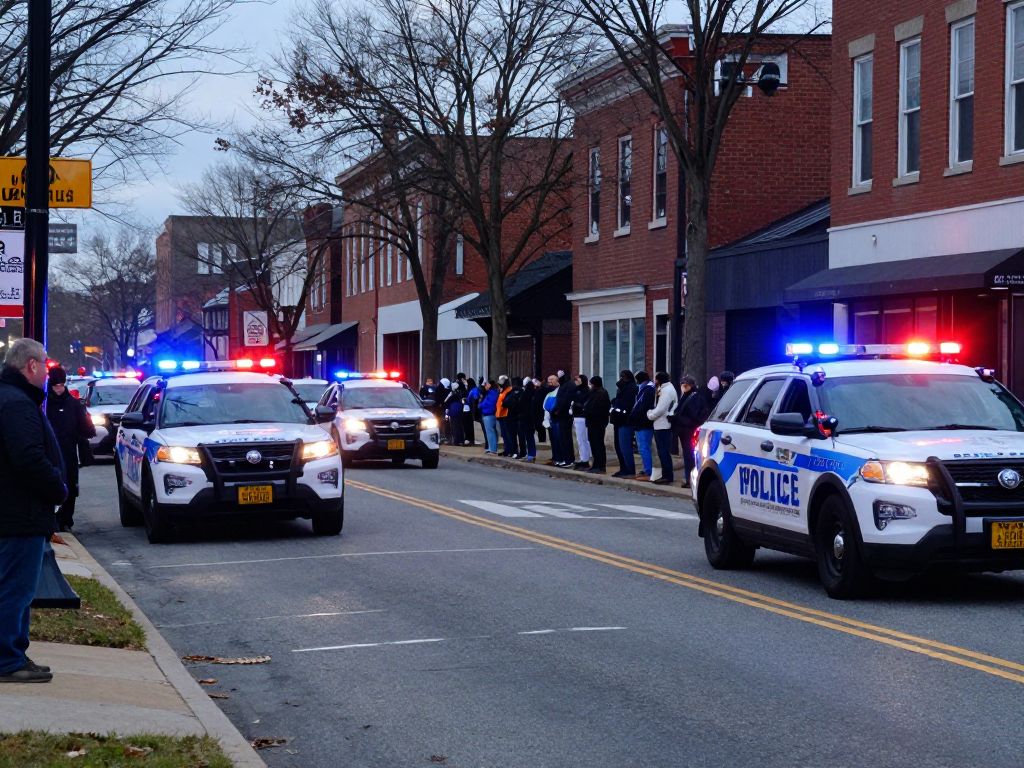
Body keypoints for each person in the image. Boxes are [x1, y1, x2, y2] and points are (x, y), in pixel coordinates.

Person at [0, 339, 68, 684]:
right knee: (16, 589)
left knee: (14, 588)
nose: (46, 371)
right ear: (30, 366)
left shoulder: (12, 399)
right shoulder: (17, 405)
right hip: (18, 514)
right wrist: (58, 488)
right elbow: (28, 458)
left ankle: (13, 653)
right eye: (44, 364)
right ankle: (7, 660)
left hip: (15, 512)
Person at [45, 366, 95, 532]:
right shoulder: (45, 405)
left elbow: (87, 429)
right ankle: (54, 519)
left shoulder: (73, 404)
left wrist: (84, 431)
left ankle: (66, 520)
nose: (58, 389)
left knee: (71, 487)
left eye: (61, 385)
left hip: (69, 452)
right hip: (50, 453)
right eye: (55, 386)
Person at [647, 371, 679, 485]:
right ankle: (666, 475)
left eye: (655, 379)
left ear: (659, 380)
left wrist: (650, 414)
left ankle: (667, 476)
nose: (654, 381)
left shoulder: (666, 391)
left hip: (662, 425)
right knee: (663, 452)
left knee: (663, 452)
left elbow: (660, 409)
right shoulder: (665, 389)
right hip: (661, 424)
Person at [623, 371, 656, 480]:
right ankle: (645, 469)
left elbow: (641, 406)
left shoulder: (647, 390)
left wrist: (633, 417)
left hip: (643, 423)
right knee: (643, 448)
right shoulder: (646, 388)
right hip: (641, 422)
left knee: (644, 447)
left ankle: (648, 471)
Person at [673, 375, 703, 488]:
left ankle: (690, 480)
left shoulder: (694, 397)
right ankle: (689, 479)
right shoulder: (686, 396)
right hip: (684, 430)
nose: (683, 387)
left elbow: (693, 415)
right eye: (682, 384)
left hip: (689, 430)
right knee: (688, 456)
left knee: (690, 456)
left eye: (686, 385)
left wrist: (678, 418)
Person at [609, 370, 637, 477]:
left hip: (626, 421)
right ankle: (623, 468)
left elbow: (625, 404)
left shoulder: (631, 388)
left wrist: (616, 402)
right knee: (619, 446)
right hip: (618, 420)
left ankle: (629, 469)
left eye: (623, 377)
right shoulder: (622, 388)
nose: (621, 379)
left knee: (625, 447)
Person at [583, 375, 611, 474]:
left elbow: (599, 408)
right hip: (591, 422)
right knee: (593, 445)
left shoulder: (601, 393)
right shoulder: (593, 392)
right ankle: (595, 464)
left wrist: (587, 411)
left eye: (591, 384)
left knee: (598, 444)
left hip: (598, 423)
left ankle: (600, 466)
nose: (590, 386)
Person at [551, 370, 575, 467]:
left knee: (566, 438)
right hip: (561, 415)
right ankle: (565, 458)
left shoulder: (568, 385)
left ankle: (568, 459)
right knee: (563, 438)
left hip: (564, 415)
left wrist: (557, 410)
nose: (558, 378)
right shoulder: (564, 385)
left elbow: (565, 400)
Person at [570, 374, 591, 470]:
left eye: (577, 379)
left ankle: (585, 459)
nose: (576, 381)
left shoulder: (586, 390)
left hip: (583, 417)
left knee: (584, 439)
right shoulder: (576, 390)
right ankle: (583, 459)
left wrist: (579, 406)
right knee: (580, 439)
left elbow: (585, 403)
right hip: (576, 416)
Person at [515, 377, 537, 462]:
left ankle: (531, 454)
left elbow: (521, 404)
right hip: (525, 418)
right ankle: (530, 454)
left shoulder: (527, 394)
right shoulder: (528, 393)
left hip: (527, 418)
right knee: (528, 437)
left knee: (529, 437)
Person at [542, 375, 561, 465]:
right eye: (548, 380)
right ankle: (555, 457)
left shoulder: (559, 391)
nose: (550, 381)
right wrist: (546, 420)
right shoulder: (549, 392)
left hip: (557, 419)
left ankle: (559, 458)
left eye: (552, 380)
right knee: (553, 441)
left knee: (558, 440)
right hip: (550, 420)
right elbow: (545, 407)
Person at [494, 375, 513, 456]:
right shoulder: (502, 391)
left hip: (506, 414)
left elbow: (506, 402)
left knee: (508, 434)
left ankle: (511, 450)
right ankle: (507, 450)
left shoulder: (509, 390)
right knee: (504, 434)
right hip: (500, 414)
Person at [479, 380, 499, 453]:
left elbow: (488, 403)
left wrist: (480, 405)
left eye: (486, 384)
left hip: (489, 414)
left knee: (490, 432)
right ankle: (491, 448)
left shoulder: (492, 393)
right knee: (490, 432)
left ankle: (493, 449)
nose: (485, 386)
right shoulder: (492, 392)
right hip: (490, 414)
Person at [463, 377, 479, 446]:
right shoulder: (471, 389)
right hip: (468, 409)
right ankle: (469, 439)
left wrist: (467, 400)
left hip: (471, 410)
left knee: (470, 425)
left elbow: (475, 399)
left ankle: (471, 439)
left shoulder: (474, 390)